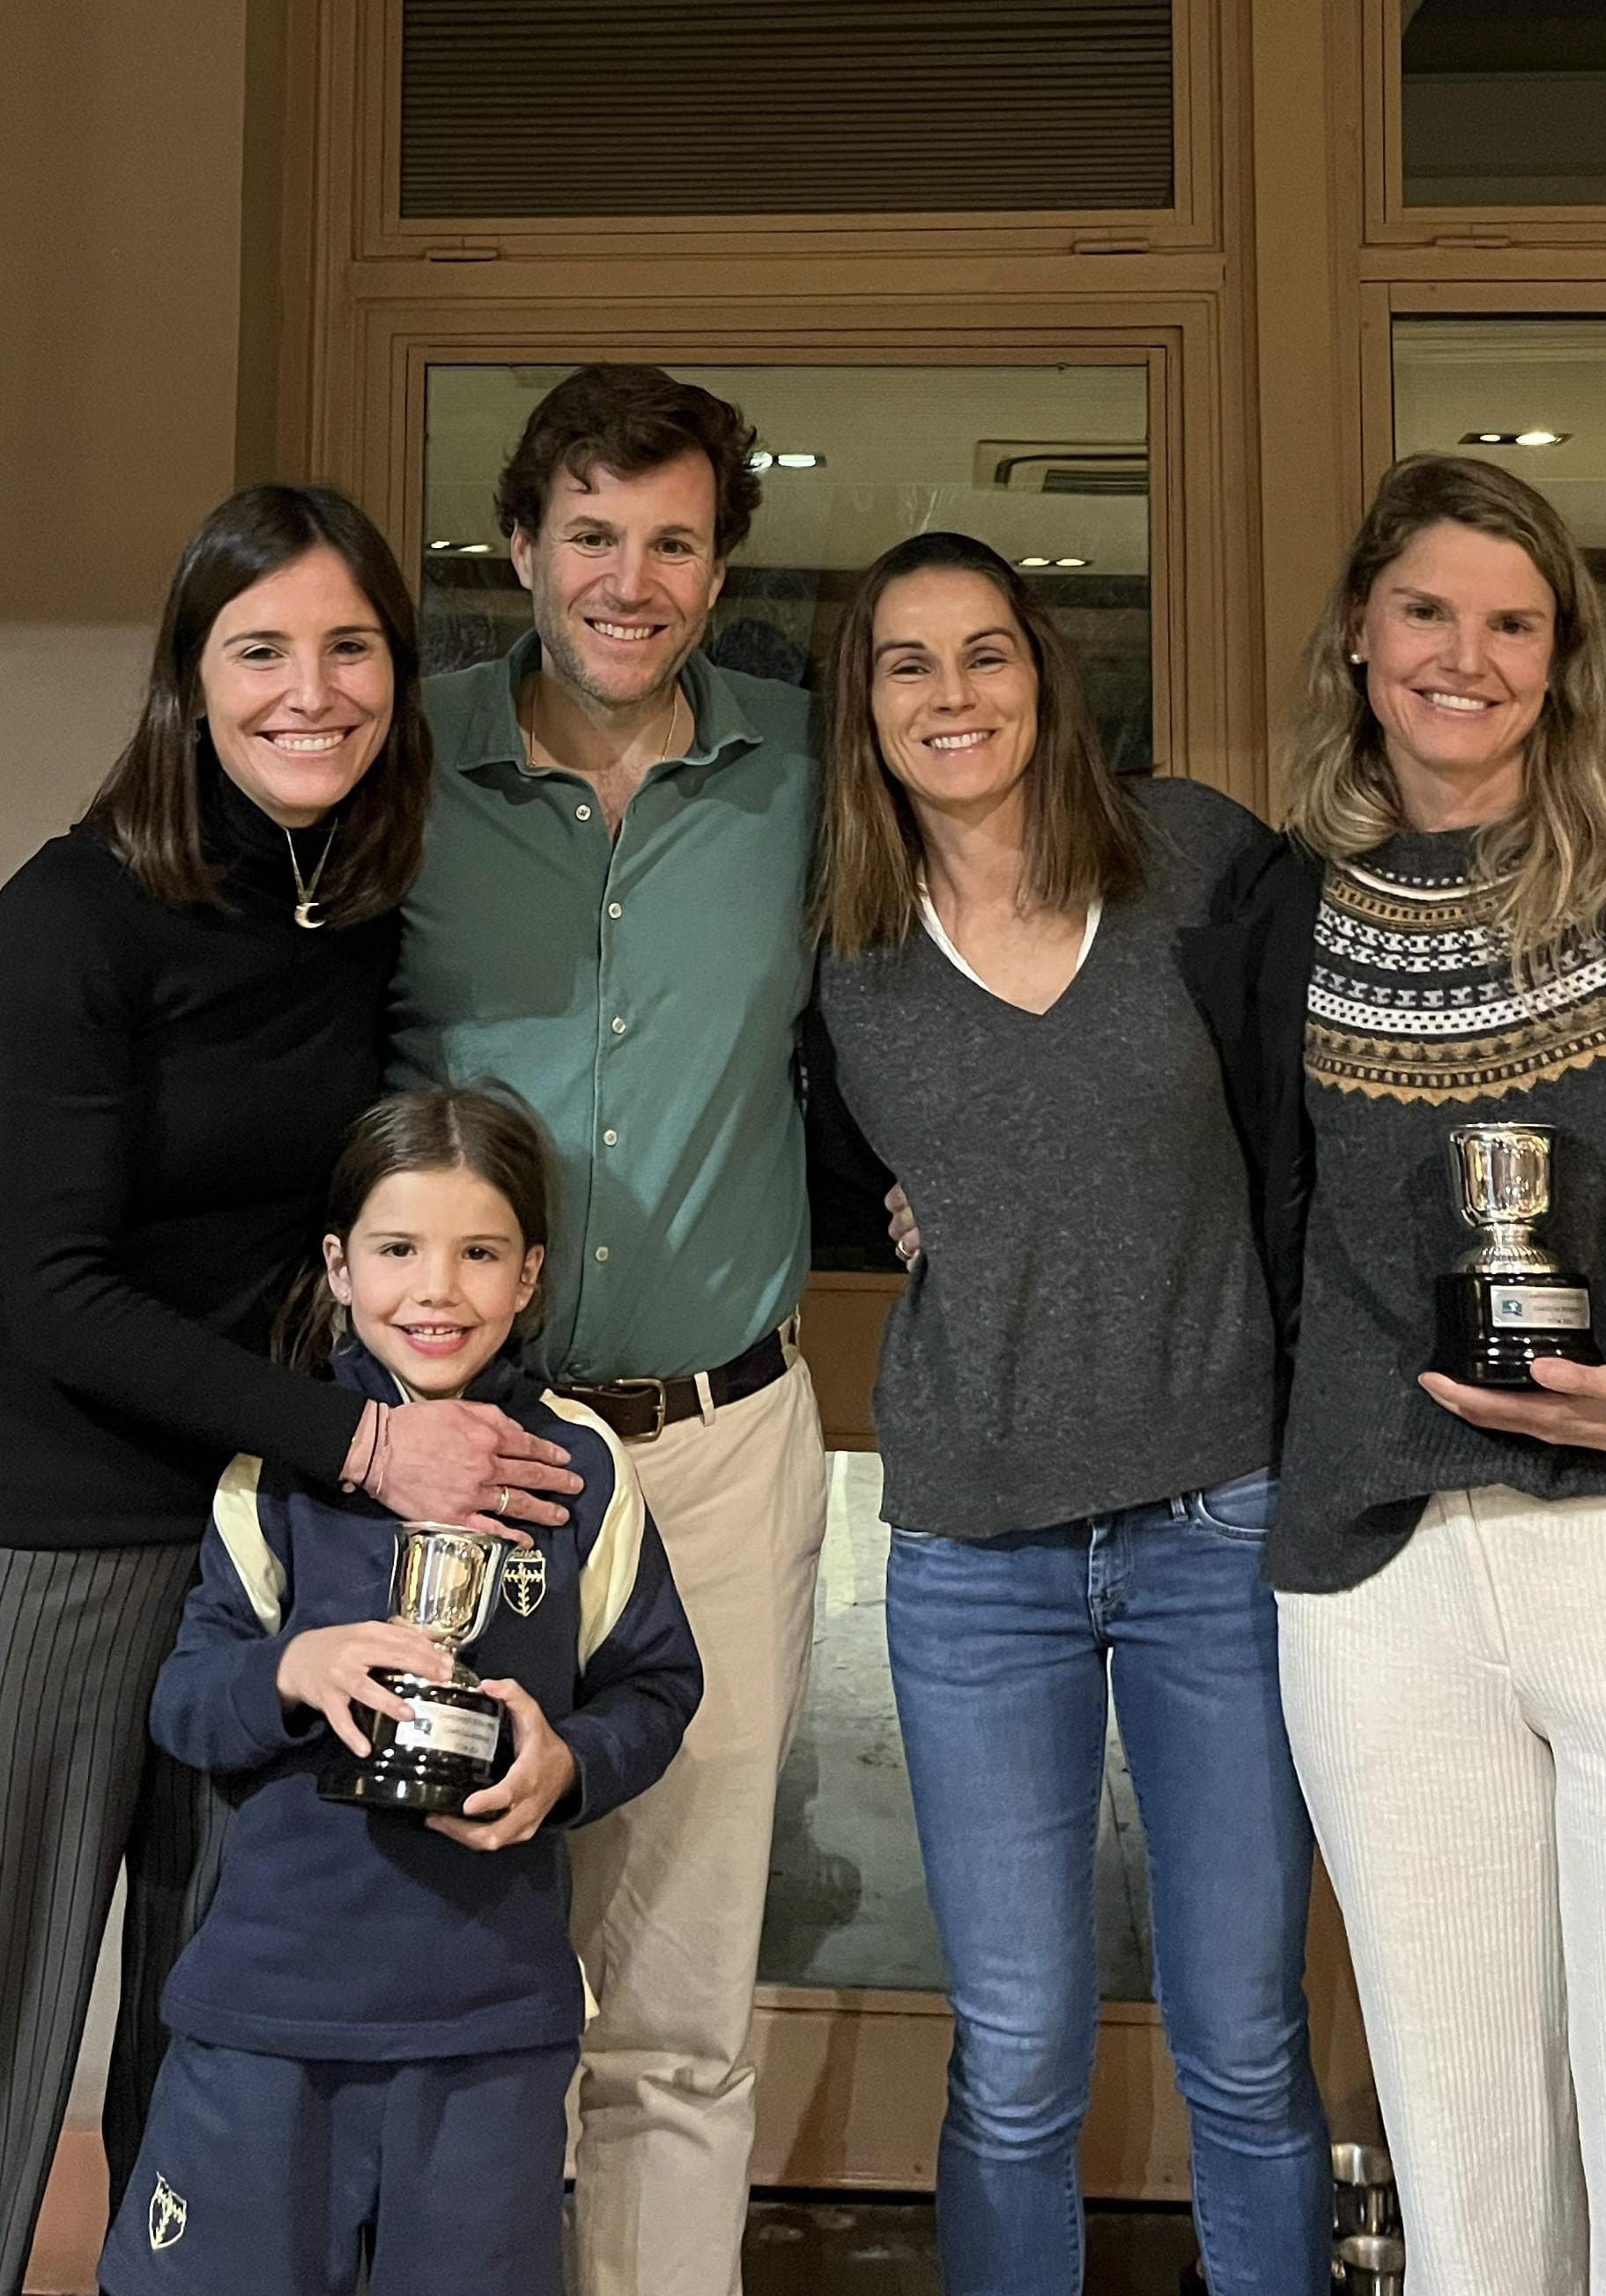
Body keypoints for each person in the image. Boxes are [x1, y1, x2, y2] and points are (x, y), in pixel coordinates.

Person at [0, 485, 576, 2296]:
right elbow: (45, 1288)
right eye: (260, 650)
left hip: (264, 1537)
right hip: (65, 1534)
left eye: (352, 650)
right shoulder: (73, 918)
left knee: (214, 2040)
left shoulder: (345, 912)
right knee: (15, 2026)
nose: (308, 691)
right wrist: (370, 1441)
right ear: (188, 680)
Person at [1180, 454, 1606, 2294]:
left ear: (1564, 660)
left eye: (1513, 622)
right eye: (1427, 610)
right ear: (1358, 631)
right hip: (1375, 1576)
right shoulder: (1274, 918)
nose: (1465, 657)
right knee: (1464, 2174)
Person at [808, 530, 1333, 2296]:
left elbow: (1386, 1005)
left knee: (1248, 2042)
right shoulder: (844, 946)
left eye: (985, 653)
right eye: (909, 665)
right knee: (1021, 2052)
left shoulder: (1192, 854)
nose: (954, 695)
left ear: (1044, 670)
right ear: (862, 706)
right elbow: (800, 1163)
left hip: (1217, 1520)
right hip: (977, 1548)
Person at [389, 364, 828, 2296]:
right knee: (457, 1963)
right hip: (461, 1455)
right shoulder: (398, 762)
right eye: (591, 536)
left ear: (722, 566)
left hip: (721, 1450)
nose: (628, 580)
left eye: (672, 541)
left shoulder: (820, 770)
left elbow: (1039, 874)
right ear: (520, 549)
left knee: (677, 1990)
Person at [96, 1084, 701, 2296]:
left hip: (489, 2023)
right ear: (338, 1265)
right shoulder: (281, 1465)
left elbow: (656, 1682)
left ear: (530, 1273)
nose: (438, 1290)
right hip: (270, 2012)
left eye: (480, 1252)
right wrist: (294, 1669)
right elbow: (184, 1698)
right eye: (398, 1250)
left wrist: (567, 1760)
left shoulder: (577, 1464)